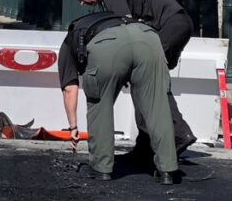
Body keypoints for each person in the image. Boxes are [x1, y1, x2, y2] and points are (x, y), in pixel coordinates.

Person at [69, 0, 196, 160]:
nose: (82, 3)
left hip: (169, 26)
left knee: (147, 79)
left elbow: (126, 27)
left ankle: (178, 134)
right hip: (176, 23)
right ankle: (145, 146)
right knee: (144, 79)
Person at [58, 11, 178, 184]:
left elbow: (70, 89)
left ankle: (102, 167)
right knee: (157, 106)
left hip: (106, 45)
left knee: (100, 106)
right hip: (147, 37)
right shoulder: (105, 21)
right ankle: (167, 170)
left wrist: (73, 127)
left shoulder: (69, 42)